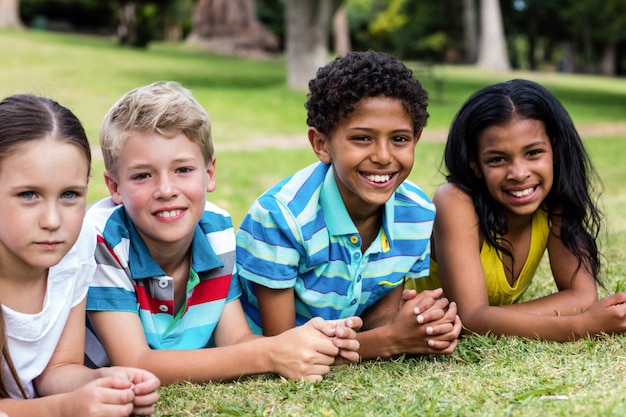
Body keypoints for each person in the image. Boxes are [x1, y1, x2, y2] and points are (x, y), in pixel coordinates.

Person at [84, 81, 362, 385]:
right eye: (142, 176)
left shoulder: (216, 231)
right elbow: (135, 363)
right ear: (114, 188)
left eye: (183, 170)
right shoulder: (103, 239)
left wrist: (307, 342)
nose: (166, 190)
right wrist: (270, 353)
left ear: (210, 173)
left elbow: (236, 339)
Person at [235, 50, 462, 360]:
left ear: (416, 139)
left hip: (336, 341)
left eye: (399, 139)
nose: (383, 156)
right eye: (362, 138)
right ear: (322, 144)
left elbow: (378, 319)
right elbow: (285, 349)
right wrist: (392, 340)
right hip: (264, 346)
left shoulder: (417, 215)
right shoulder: (281, 218)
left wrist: (422, 324)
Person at [406, 78, 626, 341]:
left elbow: (581, 295)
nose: (519, 174)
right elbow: (469, 318)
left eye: (533, 153)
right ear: (475, 164)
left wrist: (495, 317)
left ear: (554, 150)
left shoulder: (554, 202)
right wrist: (581, 326)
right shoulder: (454, 201)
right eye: (498, 159)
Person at [0, 94, 160, 416]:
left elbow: (57, 368)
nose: (52, 221)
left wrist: (104, 382)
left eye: (69, 195)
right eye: (28, 195)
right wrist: (61, 409)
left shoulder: (77, 246)